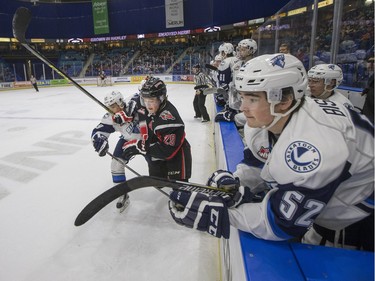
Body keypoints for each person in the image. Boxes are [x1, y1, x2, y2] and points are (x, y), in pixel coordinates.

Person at [168, 54, 374, 251]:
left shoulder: (315, 145)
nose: (242, 106)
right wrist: (237, 181)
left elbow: (281, 223)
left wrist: (221, 215)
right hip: (330, 206)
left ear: (284, 100)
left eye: (252, 99)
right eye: (242, 96)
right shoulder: (273, 118)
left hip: (355, 222)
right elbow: (257, 163)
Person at [122, 77, 192, 181]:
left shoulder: (169, 120)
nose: (148, 105)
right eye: (145, 100)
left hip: (177, 155)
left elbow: (167, 151)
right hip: (157, 151)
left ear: (161, 98)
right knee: (158, 182)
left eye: (151, 101)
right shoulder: (155, 107)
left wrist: (140, 146)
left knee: (179, 190)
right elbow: (135, 102)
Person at [91, 90, 140, 211]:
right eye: (109, 107)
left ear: (120, 102)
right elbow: (98, 131)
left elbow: (140, 97)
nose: (111, 109)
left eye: (113, 106)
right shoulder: (110, 117)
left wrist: (129, 113)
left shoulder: (133, 102)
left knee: (157, 167)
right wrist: (99, 139)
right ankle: (122, 194)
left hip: (147, 139)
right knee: (116, 164)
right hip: (127, 140)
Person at [215, 39, 257, 126]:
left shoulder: (256, 65)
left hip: (249, 107)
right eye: (239, 49)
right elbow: (233, 85)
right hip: (237, 106)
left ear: (252, 50)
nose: (240, 52)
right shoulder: (236, 66)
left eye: (243, 49)